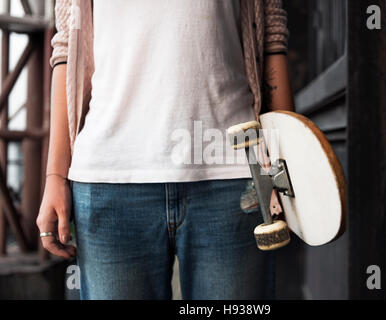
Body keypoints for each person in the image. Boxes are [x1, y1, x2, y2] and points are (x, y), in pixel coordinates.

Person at [36, 0, 294, 300]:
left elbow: (272, 36)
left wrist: (286, 164)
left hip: (233, 177)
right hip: (110, 180)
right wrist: (55, 176)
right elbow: (67, 49)